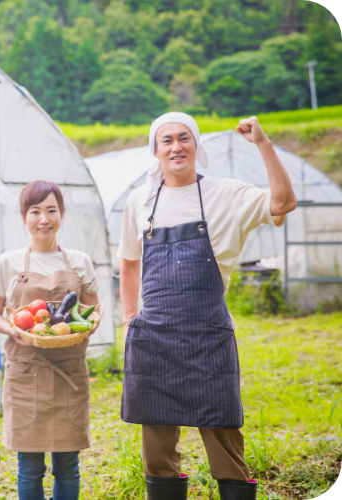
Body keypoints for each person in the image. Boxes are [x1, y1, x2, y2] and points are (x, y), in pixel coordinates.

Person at [118, 113, 297, 500]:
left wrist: (263, 144)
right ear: (155, 151)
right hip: (155, 341)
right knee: (157, 451)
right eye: (166, 140)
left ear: (196, 147)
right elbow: (129, 263)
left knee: (225, 444)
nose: (176, 146)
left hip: (208, 339)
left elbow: (284, 201)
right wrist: (130, 317)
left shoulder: (226, 194)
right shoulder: (140, 201)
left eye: (184, 138)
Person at [0, 181, 99, 500]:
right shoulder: (8, 262)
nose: (44, 219)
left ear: (61, 214)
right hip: (25, 374)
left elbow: (91, 313)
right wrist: (13, 331)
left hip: (69, 372)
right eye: (35, 211)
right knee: (29, 467)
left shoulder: (80, 261)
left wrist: (80, 332)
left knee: (68, 465)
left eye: (51, 210)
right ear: (24, 217)